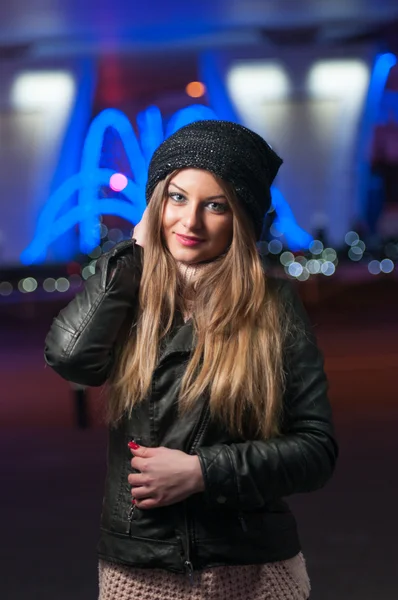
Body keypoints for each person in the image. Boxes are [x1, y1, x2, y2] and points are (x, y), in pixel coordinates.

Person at [44, 120, 338, 600]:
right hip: (140, 573)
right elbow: (71, 358)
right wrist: (132, 258)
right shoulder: (128, 291)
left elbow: (315, 451)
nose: (190, 222)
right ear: (155, 205)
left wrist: (203, 471)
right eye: (177, 198)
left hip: (258, 569)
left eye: (215, 205)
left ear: (242, 219)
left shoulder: (272, 306)